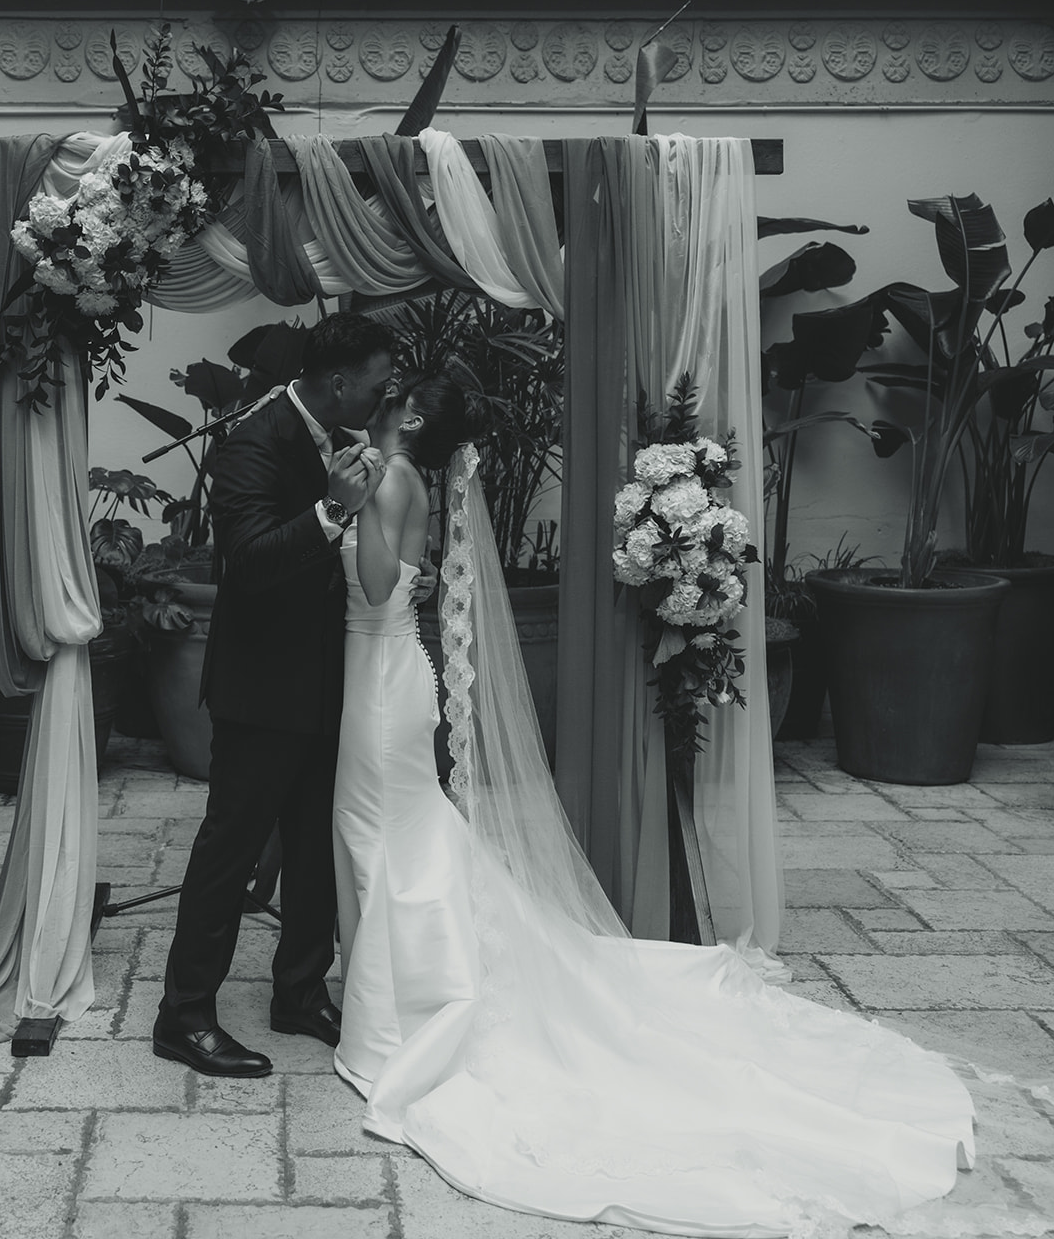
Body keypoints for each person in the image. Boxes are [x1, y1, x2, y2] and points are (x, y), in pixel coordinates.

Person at [333, 372, 983, 1238]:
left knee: (384, 834)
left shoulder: (390, 479)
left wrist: (344, 512)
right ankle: (395, 983)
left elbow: (380, 587)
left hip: (382, 683)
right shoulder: (393, 473)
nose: (383, 390)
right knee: (387, 833)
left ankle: (405, 1005)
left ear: (410, 419)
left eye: (396, 388)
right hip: (377, 677)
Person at [153, 312, 406, 1080]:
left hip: (327, 679)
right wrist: (331, 510)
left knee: (313, 847)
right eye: (375, 382)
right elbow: (252, 563)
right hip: (262, 690)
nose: (382, 394)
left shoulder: (336, 433)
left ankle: (298, 990)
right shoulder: (251, 445)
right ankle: (184, 1014)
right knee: (229, 852)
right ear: (337, 383)